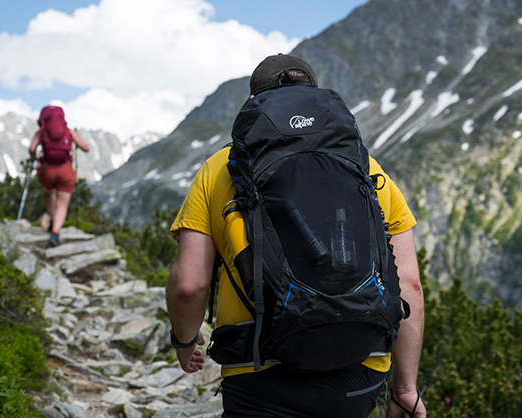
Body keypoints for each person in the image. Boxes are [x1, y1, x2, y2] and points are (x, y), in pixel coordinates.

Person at [165, 54, 426, 418]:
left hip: (259, 372)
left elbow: (188, 285)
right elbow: (409, 284)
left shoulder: (218, 170)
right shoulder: (367, 170)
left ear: (255, 103)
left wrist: (182, 340)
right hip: (359, 366)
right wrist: (405, 388)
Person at [28, 106, 90, 247]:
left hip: (47, 169)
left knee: (49, 193)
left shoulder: (41, 132)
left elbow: (32, 149)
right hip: (65, 170)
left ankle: (52, 222)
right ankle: (55, 232)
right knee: (62, 205)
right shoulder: (69, 132)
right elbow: (85, 147)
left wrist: (33, 158)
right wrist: (76, 136)